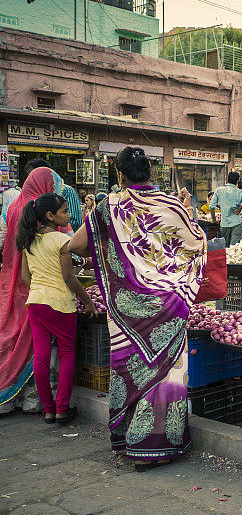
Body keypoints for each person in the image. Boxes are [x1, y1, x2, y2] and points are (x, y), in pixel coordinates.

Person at [68, 146, 206, 471]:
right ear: (150, 172)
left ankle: (131, 441)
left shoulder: (107, 208)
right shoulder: (171, 205)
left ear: (119, 175)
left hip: (129, 311)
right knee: (167, 374)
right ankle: (161, 444)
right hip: (169, 305)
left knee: (133, 369)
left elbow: (73, 245)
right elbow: (196, 242)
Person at [17, 193, 97, 425]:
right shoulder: (62, 241)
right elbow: (69, 278)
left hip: (36, 303)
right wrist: (88, 301)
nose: (69, 215)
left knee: (40, 356)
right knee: (66, 354)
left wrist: (41, 291)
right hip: (61, 304)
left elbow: (25, 276)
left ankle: (48, 411)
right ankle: (62, 409)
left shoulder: (28, 240)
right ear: (50, 216)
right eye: (64, 211)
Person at [0, 167, 70, 415]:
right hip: (39, 284)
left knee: (13, 339)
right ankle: (32, 399)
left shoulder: (12, 208)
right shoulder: (42, 211)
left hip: (13, 284)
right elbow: (63, 248)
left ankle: (7, 398)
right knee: (35, 347)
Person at [209, 171, 242, 247]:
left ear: (227, 180)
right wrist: (241, 207)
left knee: (225, 246)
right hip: (237, 223)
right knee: (234, 247)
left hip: (224, 223)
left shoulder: (219, 190)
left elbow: (211, 206)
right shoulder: (241, 192)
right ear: (237, 181)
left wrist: (214, 220)